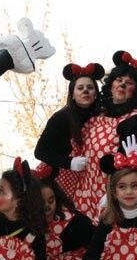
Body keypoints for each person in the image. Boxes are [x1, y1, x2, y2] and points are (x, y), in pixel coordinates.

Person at [73, 51, 137, 221]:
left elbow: (132, 164)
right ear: (110, 85)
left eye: (129, 83)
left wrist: (111, 194)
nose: (122, 84)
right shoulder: (96, 115)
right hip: (85, 192)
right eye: (119, 80)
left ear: (136, 90)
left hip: (116, 196)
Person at [34, 62, 104, 199]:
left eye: (90, 87)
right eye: (80, 88)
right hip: (55, 179)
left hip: (86, 180)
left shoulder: (102, 118)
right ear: (72, 94)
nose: (85, 91)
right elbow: (40, 152)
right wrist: (69, 163)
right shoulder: (61, 117)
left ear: (96, 93)